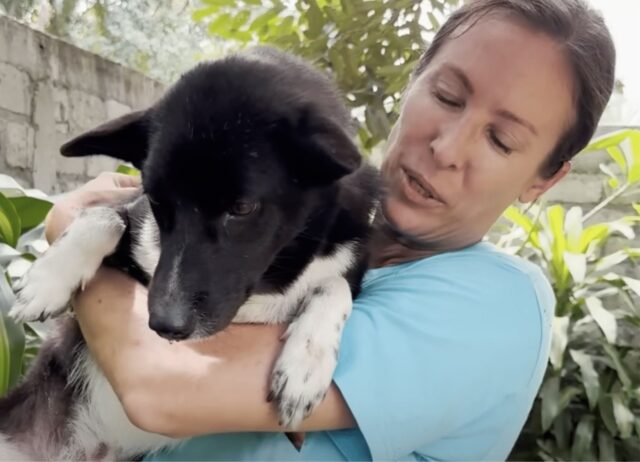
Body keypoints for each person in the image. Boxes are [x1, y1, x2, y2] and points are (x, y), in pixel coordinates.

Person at [44, 0, 616, 459]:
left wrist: (68, 229)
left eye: (501, 140)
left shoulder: (496, 306)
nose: (448, 147)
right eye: (446, 96)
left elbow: (158, 390)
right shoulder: (322, 232)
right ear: (414, 81)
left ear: (543, 179)